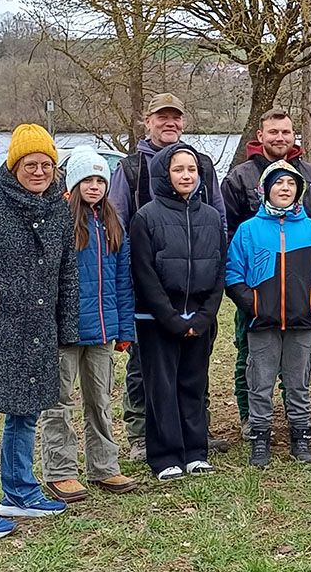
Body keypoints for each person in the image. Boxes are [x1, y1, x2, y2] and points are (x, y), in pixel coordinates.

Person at [0, 125, 78, 539]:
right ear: (14, 165)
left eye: (46, 165)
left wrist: (66, 327)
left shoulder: (59, 210)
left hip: (38, 331)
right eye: (30, 164)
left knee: (26, 415)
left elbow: (67, 274)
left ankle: (19, 492)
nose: (38, 171)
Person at [110, 93, 228, 461]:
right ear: (147, 121)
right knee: (145, 369)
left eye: (175, 117)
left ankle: (194, 431)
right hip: (150, 289)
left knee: (195, 365)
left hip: (197, 287)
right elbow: (117, 223)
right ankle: (143, 433)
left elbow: (219, 220)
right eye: (161, 117)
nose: (169, 123)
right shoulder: (130, 168)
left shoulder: (202, 164)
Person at [221, 107, 311, 438]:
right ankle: (251, 418)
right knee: (251, 353)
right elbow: (227, 226)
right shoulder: (240, 176)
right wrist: (246, 282)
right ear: (261, 136)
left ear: (293, 135)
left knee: (298, 357)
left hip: (301, 277)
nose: (280, 138)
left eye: (286, 132)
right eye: (273, 132)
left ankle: (296, 416)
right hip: (258, 282)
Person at [39, 148, 138, 503]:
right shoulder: (61, 222)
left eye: (100, 181)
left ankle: (104, 465)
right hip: (64, 331)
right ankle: (60, 470)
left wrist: (125, 329)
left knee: (100, 400)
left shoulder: (114, 224)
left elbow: (123, 282)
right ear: (74, 183)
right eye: (87, 180)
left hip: (102, 329)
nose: (94, 187)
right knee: (59, 402)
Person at [128, 143, 226, 481]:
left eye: (192, 170)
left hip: (199, 317)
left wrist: (204, 316)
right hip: (158, 320)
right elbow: (143, 272)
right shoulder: (147, 217)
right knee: (162, 387)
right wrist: (169, 317)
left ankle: (196, 451)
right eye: (178, 169)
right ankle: (165, 454)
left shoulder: (212, 218)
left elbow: (219, 269)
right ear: (164, 174)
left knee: (193, 385)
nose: (186, 175)